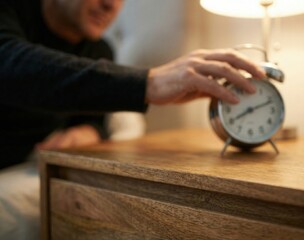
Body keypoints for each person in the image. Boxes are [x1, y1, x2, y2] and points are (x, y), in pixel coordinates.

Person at [0, 0, 265, 238]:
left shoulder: (98, 49)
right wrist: (149, 82)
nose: (110, 5)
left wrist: (90, 130)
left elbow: (94, 117)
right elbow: (9, 64)